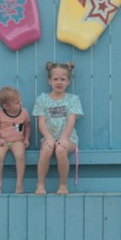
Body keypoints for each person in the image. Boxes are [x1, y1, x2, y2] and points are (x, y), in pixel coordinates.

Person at [33, 61, 83, 195]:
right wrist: (48, 137)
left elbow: (71, 120)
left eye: (63, 79)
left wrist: (64, 138)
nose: (59, 82)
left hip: (68, 138)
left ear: (68, 82)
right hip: (49, 136)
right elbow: (41, 121)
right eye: (55, 79)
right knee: (47, 149)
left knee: (60, 150)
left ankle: (63, 185)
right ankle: (40, 185)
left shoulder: (72, 99)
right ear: (49, 81)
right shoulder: (42, 99)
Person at [0, 86, 31, 194]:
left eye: (20, 101)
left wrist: (26, 138)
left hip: (17, 141)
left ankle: (19, 183)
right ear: (6, 106)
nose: (21, 104)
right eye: (17, 103)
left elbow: (27, 126)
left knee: (20, 156)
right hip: (2, 141)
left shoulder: (24, 112)